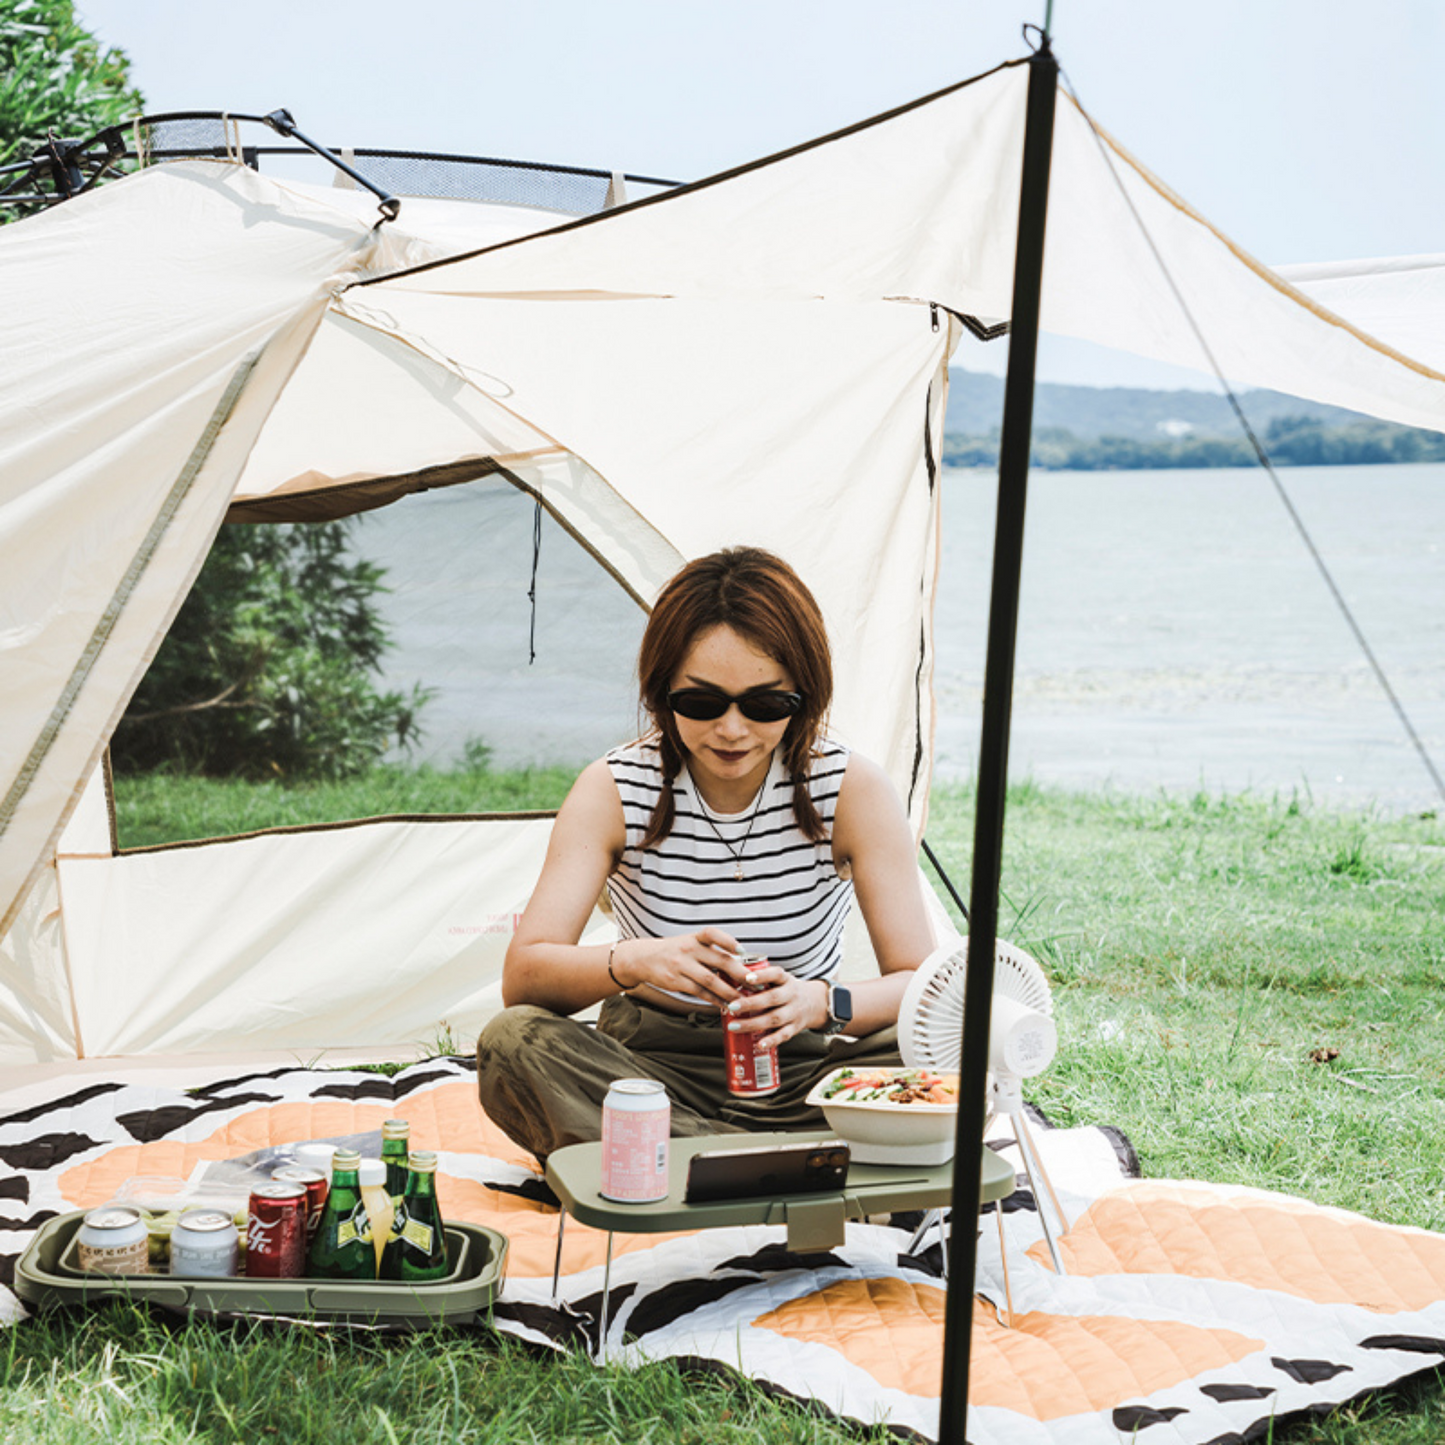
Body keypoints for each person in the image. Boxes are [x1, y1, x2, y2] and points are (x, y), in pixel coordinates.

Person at [476, 546, 935, 1162]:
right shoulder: (614, 788)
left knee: (960, 1040)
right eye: (701, 703)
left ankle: (683, 1160)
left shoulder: (851, 789)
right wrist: (638, 961)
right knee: (513, 1043)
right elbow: (524, 978)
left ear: (805, 694)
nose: (732, 730)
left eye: (766, 704)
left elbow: (921, 983)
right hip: (648, 1067)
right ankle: (784, 1160)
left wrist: (820, 1001)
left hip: (802, 1067)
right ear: (662, 692)